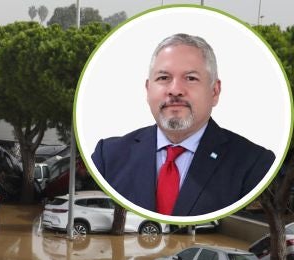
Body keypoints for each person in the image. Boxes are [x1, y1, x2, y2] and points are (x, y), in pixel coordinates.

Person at [92, 33, 275, 217]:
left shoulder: (254, 164)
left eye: (190, 78)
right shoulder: (108, 157)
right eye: (163, 78)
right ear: (148, 90)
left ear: (214, 91)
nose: (175, 90)